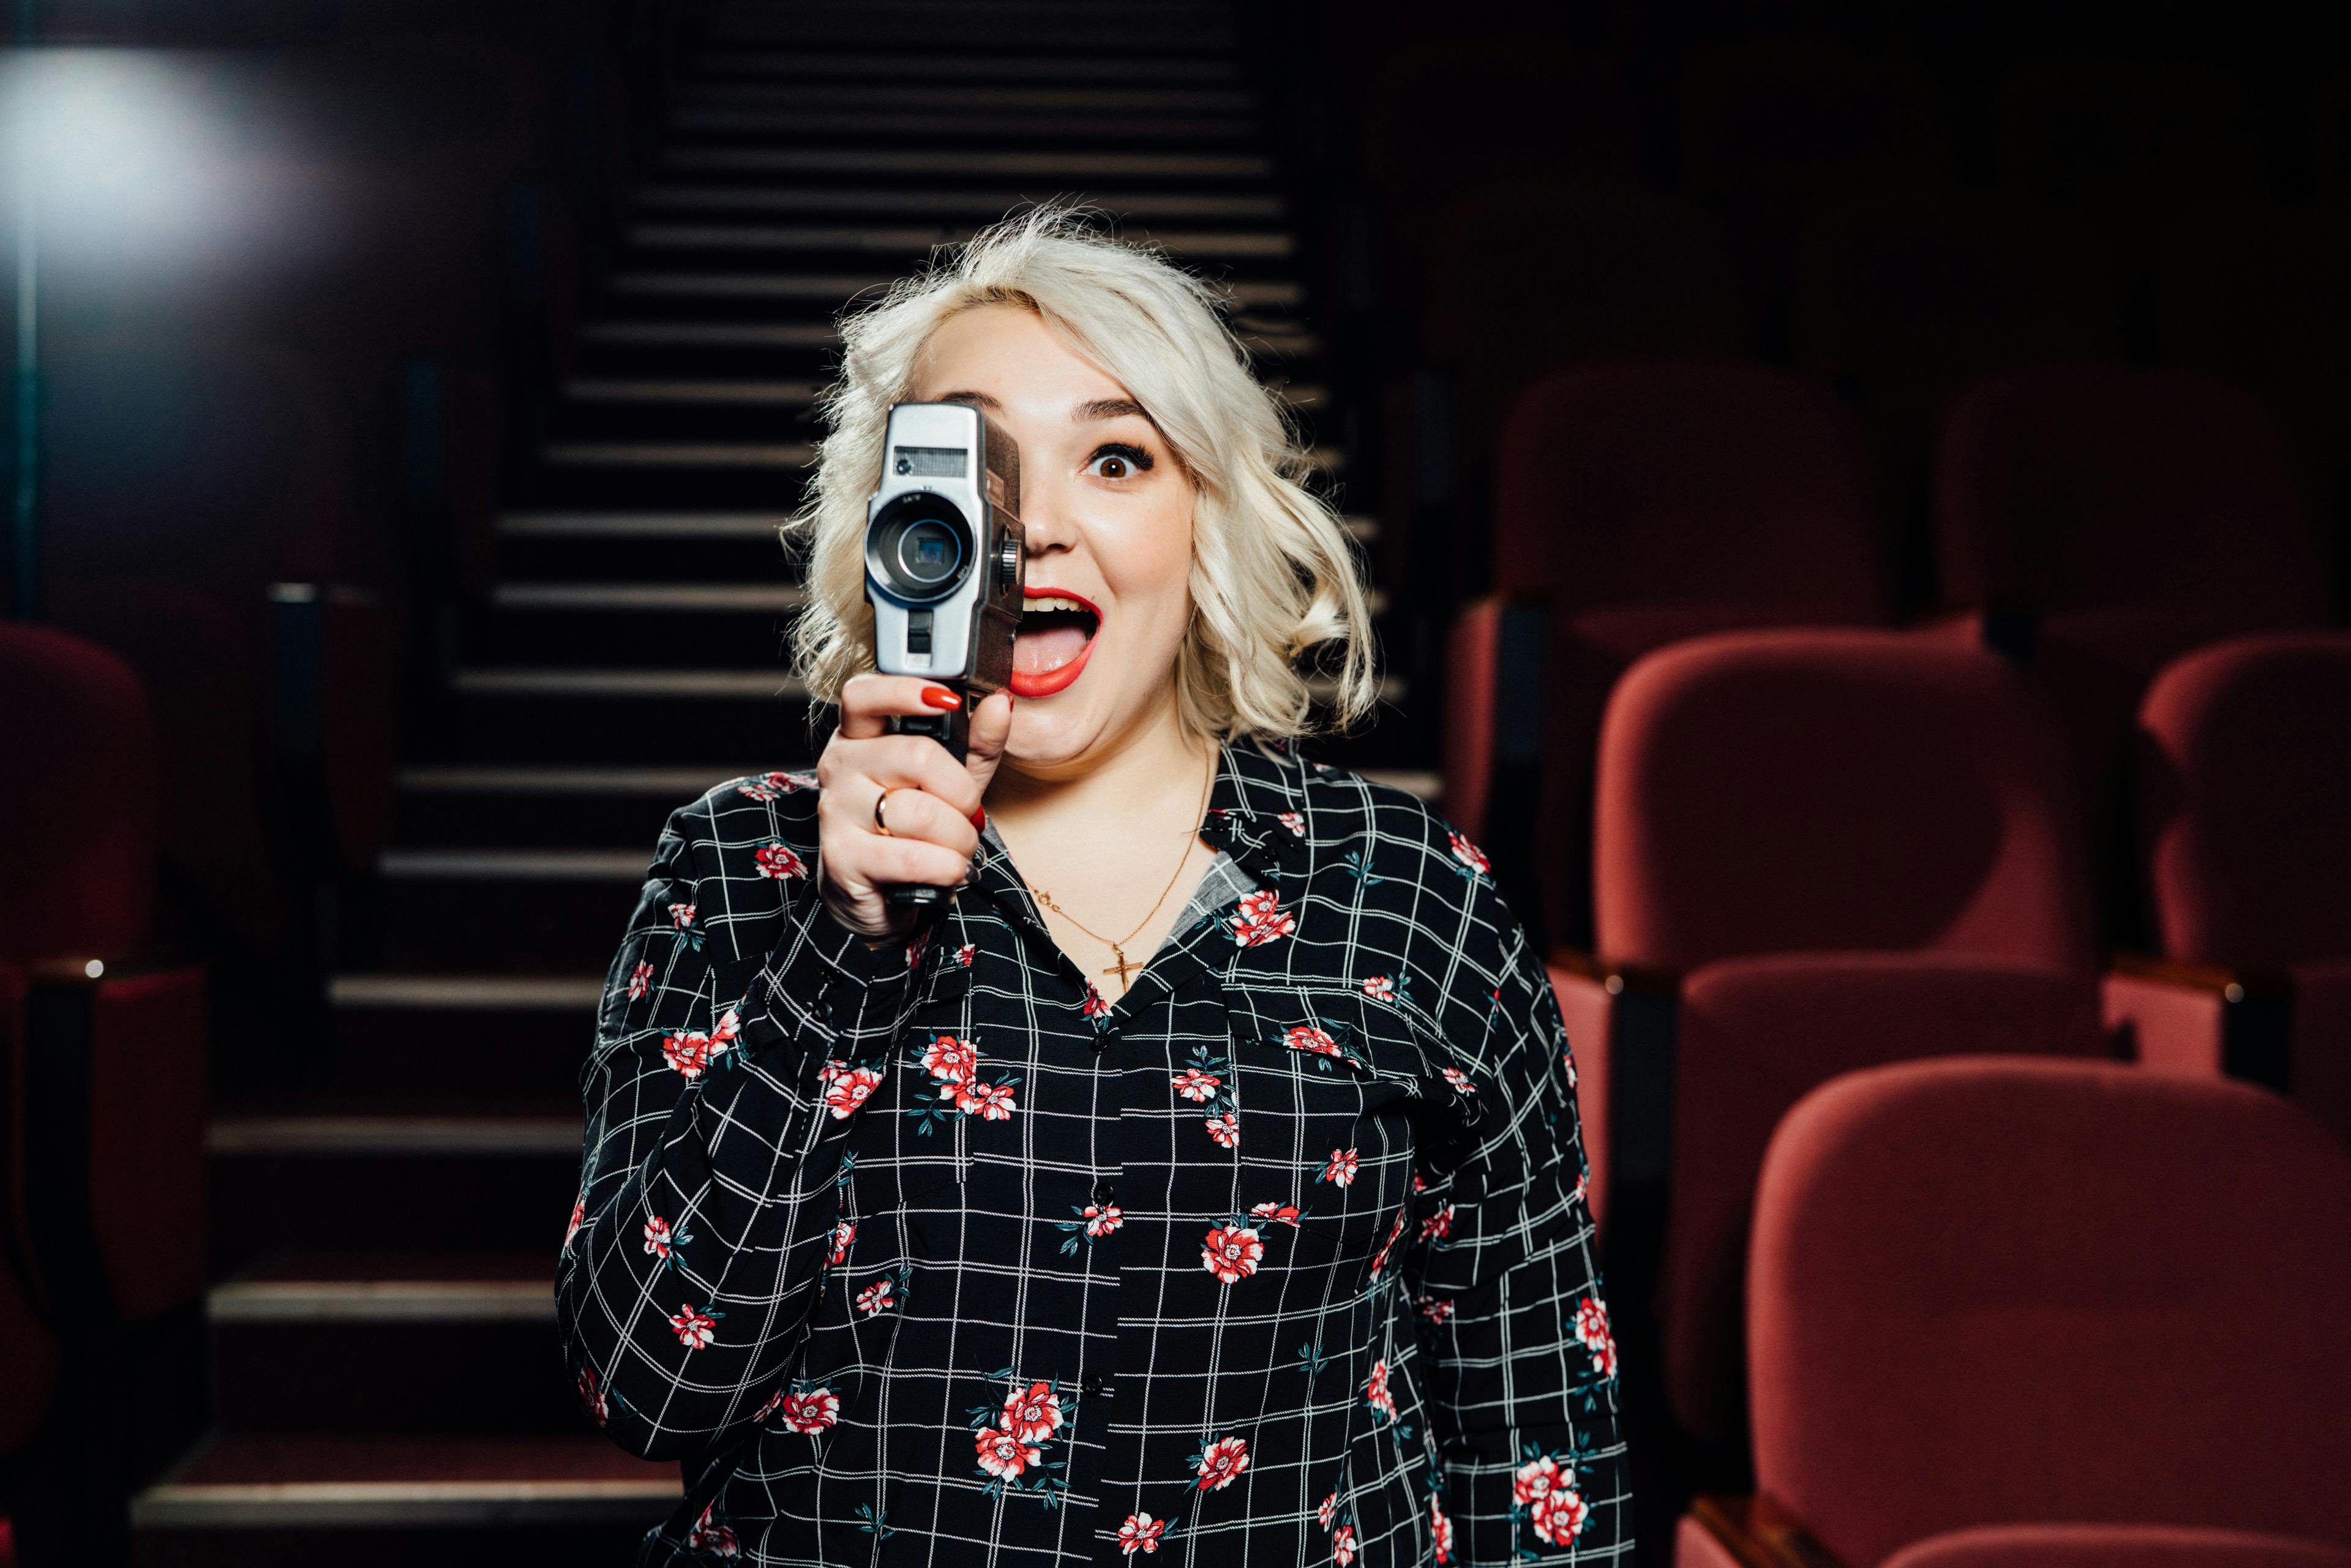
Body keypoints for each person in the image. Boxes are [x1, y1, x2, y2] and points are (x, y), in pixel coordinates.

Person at [556, 204, 1628, 1565]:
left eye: (1115, 458)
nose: (1036, 529)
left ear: (1208, 522)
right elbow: (645, 1384)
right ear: (892, 529)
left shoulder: (1412, 896)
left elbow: (1538, 1423)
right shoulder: (741, 869)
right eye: (971, 469)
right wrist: (843, 954)